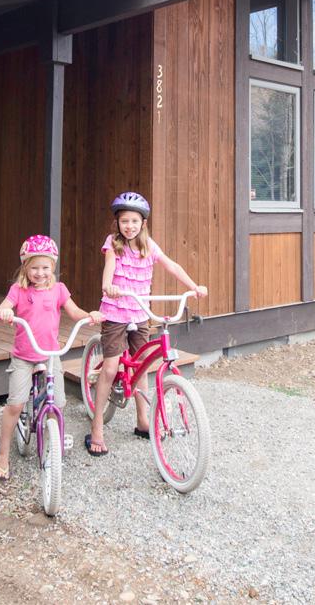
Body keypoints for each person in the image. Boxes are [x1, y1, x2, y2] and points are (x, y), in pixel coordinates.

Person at [86, 192, 207, 457]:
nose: (129, 226)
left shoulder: (149, 246)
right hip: (116, 312)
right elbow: (109, 267)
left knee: (141, 367)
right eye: (124, 221)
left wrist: (194, 286)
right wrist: (107, 286)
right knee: (110, 369)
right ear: (117, 223)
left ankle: (142, 420)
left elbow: (172, 266)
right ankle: (97, 425)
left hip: (140, 313)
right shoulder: (113, 243)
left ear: (143, 223)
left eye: (134, 221)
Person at [0, 235, 101, 481]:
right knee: (16, 404)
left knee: (58, 404)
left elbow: (74, 311)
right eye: (34, 268)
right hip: (24, 355)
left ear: (53, 266)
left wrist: (90, 315)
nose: (40, 273)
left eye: (45, 267)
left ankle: (53, 444)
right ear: (25, 267)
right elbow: (2, 307)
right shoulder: (18, 290)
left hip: (51, 355)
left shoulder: (58, 289)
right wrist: (5, 311)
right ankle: (3, 454)